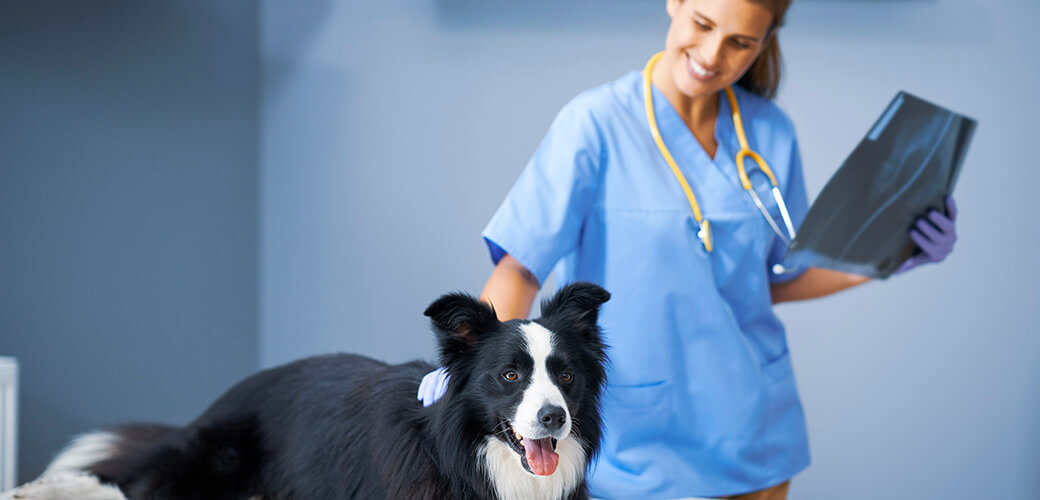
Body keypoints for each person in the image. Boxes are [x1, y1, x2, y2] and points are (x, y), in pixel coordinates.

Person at [419, 0, 958, 498]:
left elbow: (774, 279)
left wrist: (890, 257)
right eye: (702, 24)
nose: (712, 55)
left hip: (753, 429)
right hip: (635, 442)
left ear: (765, 41)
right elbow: (520, 266)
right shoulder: (595, 125)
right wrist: (477, 362)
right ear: (675, 2)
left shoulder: (770, 133)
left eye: (740, 43)